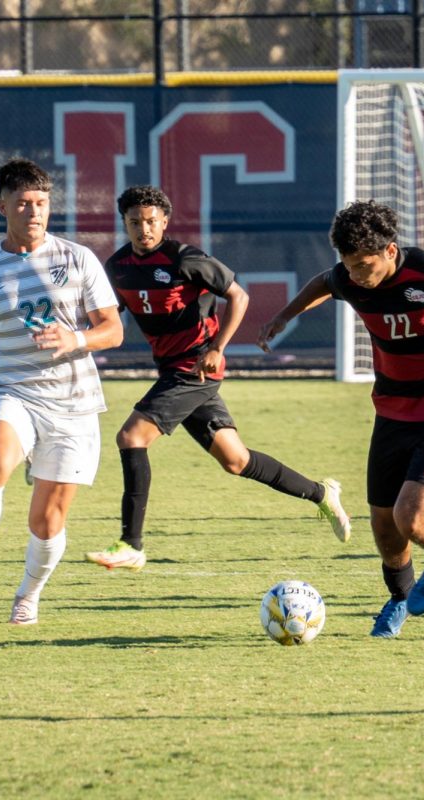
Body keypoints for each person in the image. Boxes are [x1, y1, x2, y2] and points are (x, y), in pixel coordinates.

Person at [257, 200, 424, 638]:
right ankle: (399, 599)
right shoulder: (348, 276)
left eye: (365, 265)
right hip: (392, 410)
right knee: (384, 525)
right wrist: (284, 316)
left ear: (389, 250)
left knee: (413, 517)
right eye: (350, 266)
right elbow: (323, 283)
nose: (357, 275)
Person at [84, 185, 350, 572]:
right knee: (236, 460)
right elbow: (109, 315)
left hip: (195, 368)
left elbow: (238, 296)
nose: (144, 229)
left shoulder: (185, 259)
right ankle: (321, 493)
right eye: (135, 222)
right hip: (172, 369)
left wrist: (217, 348)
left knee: (131, 437)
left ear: (165, 222)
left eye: (152, 221)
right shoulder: (119, 266)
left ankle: (131, 543)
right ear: (124, 223)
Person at [0, 157, 124, 625]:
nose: (35, 212)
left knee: (47, 521)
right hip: (14, 391)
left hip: (74, 404)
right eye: (24, 203)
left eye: (42, 203)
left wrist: (76, 339)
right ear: (2, 206)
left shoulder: (77, 258)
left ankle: (28, 592)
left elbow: (113, 330)